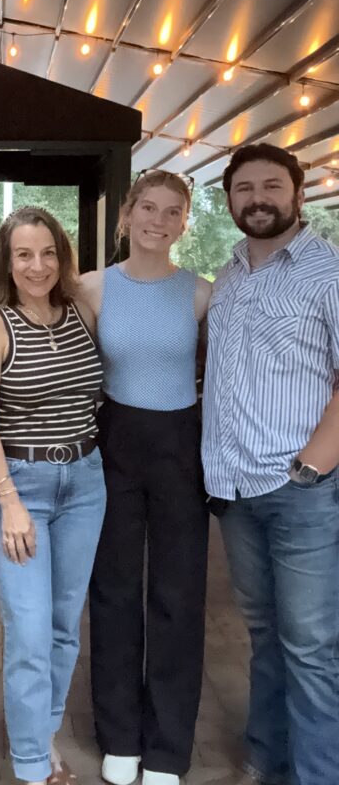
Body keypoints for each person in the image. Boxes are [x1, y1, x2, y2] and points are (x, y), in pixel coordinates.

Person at [202, 143, 339, 785]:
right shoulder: (229, 273)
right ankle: (267, 757)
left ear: (298, 194)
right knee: (263, 633)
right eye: (244, 188)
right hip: (232, 490)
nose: (257, 199)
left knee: (310, 647)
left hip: (300, 490)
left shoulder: (328, 274)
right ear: (229, 200)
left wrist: (311, 467)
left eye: (271, 187)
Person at [0, 207, 106, 785]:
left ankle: (43, 738)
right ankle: (29, 764)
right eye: (24, 254)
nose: (37, 265)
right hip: (20, 487)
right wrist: (8, 499)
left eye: (48, 252)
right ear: (7, 260)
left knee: (64, 624)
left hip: (86, 483)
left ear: (62, 257)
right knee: (28, 629)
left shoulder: (81, 312)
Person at [78, 170, 212, 785]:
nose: (159, 221)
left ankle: (167, 747)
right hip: (115, 444)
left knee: (179, 596)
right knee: (113, 591)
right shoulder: (89, 289)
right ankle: (120, 735)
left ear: (185, 222)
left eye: (173, 211)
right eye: (148, 208)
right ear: (126, 214)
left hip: (181, 446)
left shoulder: (203, 294)